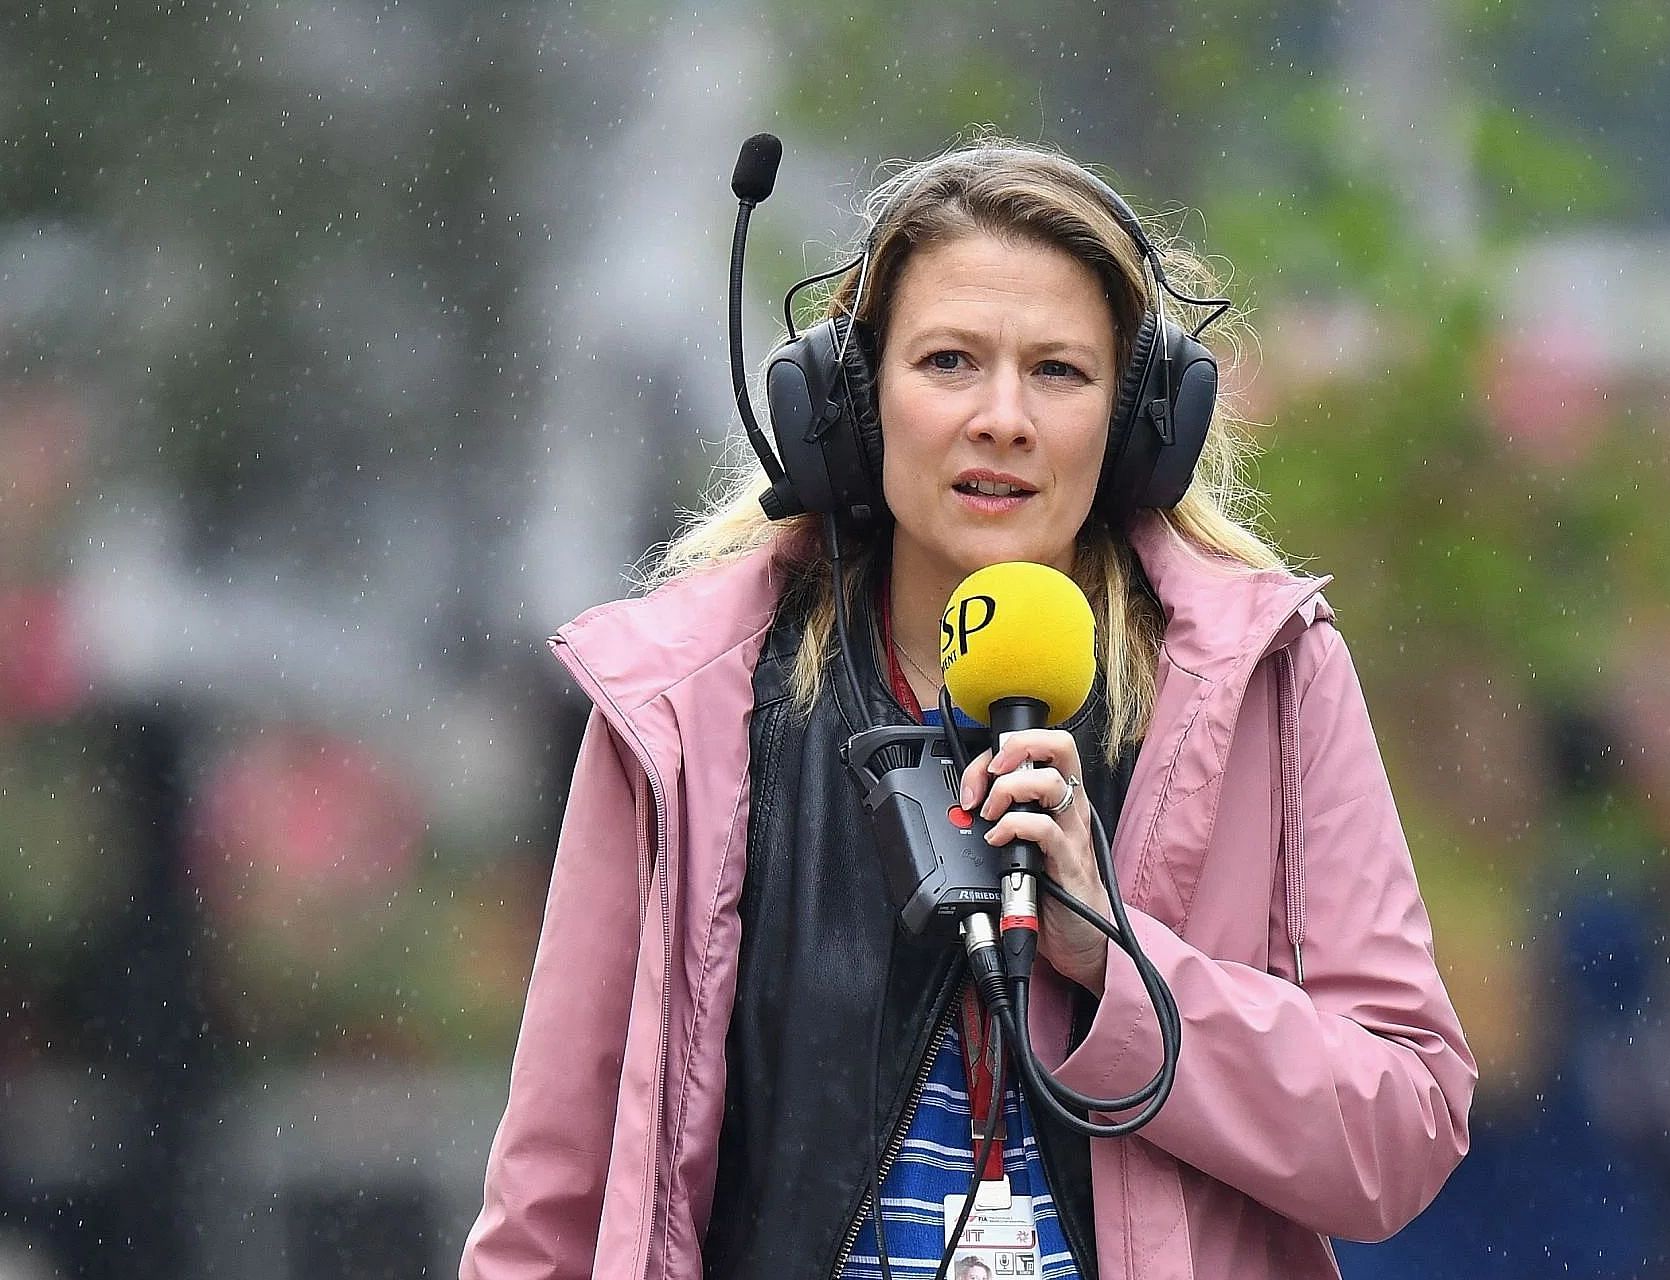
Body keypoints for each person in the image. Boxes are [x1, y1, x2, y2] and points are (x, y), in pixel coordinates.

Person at [460, 137, 1474, 1280]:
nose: (1002, 417)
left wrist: (1126, 965)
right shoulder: (681, 704)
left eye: (1059, 371)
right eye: (948, 361)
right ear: (849, 399)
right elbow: (553, 1199)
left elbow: (1404, 1130)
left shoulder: (1267, 677)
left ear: (1142, 421)